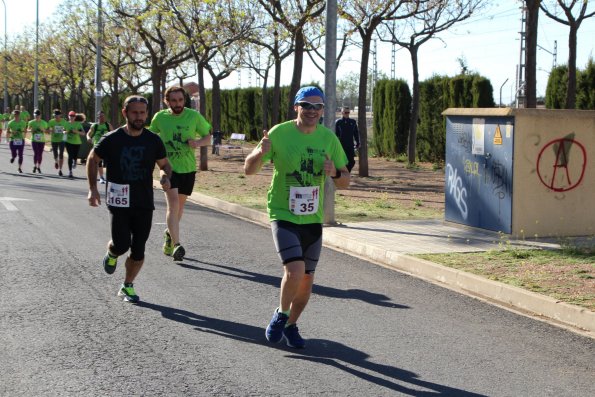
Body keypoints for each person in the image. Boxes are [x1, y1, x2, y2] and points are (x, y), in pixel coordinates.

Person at [244, 86, 350, 349]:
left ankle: (291, 324)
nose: (312, 111)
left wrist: (334, 173)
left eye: (318, 107)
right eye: (307, 105)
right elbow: (249, 170)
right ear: (296, 107)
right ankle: (280, 315)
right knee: (294, 270)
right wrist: (260, 152)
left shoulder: (328, 138)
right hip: (283, 212)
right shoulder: (280, 133)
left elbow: (346, 180)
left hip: (312, 218)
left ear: (323, 110)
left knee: (306, 281)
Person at [86, 95, 172, 303]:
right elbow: (92, 158)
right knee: (122, 244)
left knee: (139, 247)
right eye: (134, 112)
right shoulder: (112, 139)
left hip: (144, 201)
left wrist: (165, 176)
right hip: (119, 199)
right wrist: (93, 189)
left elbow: (165, 165)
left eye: (142, 112)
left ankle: (127, 285)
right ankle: (113, 252)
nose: (139, 116)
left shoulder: (153, 140)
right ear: (125, 113)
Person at [149, 85, 212, 261]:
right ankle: (177, 245)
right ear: (166, 101)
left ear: (184, 100)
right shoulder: (160, 118)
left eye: (180, 100)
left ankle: (169, 235)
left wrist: (198, 143)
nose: (178, 104)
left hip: (188, 168)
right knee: (173, 204)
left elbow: (209, 137)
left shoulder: (193, 116)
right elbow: (150, 137)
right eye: (174, 101)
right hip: (167, 167)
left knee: (180, 208)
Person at [87, 111, 113, 184]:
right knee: (99, 163)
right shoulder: (94, 126)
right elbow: (88, 134)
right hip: (97, 146)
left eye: (103, 116)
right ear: (98, 117)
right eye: (101, 116)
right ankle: (101, 177)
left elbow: (113, 134)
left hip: (107, 146)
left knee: (108, 163)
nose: (102, 117)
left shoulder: (108, 125)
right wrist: (88, 138)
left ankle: (110, 177)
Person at [334, 106, 360, 172]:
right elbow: (335, 135)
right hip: (341, 146)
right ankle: (343, 174)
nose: (347, 114)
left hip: (350, 145)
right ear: (342, 112)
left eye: (348, 112)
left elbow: (356, 133)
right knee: (342, 162)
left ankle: (347, 173)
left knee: (351, 161)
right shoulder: (338, 122)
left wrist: (358, 142)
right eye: (345, 112)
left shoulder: (353, 122)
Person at [48, 109, 70, 176]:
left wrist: (65, 131)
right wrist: (51, 130)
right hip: (54, 139)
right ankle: (56, 161)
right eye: (55, 115)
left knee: (61, 154)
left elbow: (67, 130)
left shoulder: (64, 122)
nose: (56, 117)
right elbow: (48, 130)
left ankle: (60, 170)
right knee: (55, 154)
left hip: (62, 140)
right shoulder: (51, 122)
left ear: (60, 115)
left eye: (57, 115)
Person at [27, 109, 49, 173]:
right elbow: (28, 129)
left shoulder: (44, 123)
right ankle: (35, 166)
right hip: (34, 140)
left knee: (40, 154)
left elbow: (48, 132)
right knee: (36, 153)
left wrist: (43, 130)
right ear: (34, 115)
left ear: (40, 115)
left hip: (41, 140)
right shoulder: (31, 122)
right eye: (36, 115)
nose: (37, 117)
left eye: (38, 115)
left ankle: (39, 166)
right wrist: (31, 130)